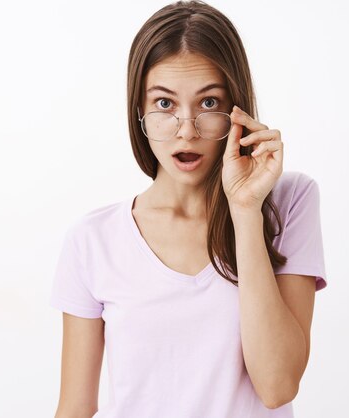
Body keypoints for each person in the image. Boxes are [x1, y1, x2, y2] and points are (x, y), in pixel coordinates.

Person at [49, 1, 328, 417]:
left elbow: (277, 385)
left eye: (209, 103)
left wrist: (246, 209)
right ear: (138, 110)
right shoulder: (93, 240)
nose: (186, 129)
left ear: (237, 108)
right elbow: (75, 409)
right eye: (164, 104)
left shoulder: (289, 202)